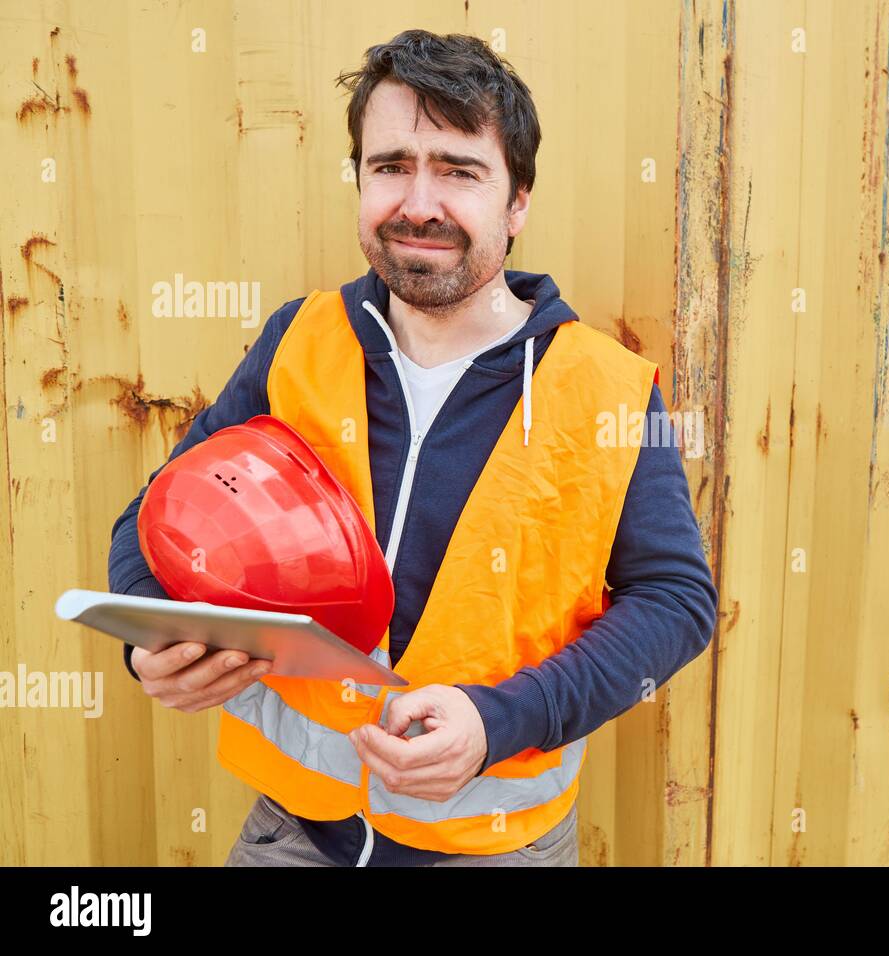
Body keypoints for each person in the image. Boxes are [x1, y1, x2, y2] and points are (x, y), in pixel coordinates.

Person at [107, 29, 718, 867]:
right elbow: (158, 513)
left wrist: (501, 720)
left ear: (518, 201)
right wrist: (151, 638)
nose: (418, 203)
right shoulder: (300, 339)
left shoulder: (609, 388)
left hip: (496, 847)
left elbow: (675, 602)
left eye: (459, 171)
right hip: (293, 834)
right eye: (391, 165)